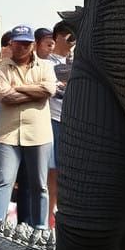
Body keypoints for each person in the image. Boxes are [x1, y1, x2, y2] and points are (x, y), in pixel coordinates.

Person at [0, 25, 56, 229]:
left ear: (33, 45)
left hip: (39, 133)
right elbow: (4, 96)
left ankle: (41, 228)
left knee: (40, 185)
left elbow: (48, 90)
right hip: (8, 133)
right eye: (18, 43)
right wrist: (34, 93)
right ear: (11, 44)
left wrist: (18, 88)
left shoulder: (45, 66)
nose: (22, 47)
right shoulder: (2, 67)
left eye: (26, 43)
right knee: (4, 181)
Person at [46, 22, 75, 226]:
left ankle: (64, 212)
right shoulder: (45, 63)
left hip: (72, 121)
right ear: (58, 36)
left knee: (68, 170)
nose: (72, 41)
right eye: (69, 36)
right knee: (51, 170)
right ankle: (49, 214)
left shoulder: (77, 62)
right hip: (52, 119)